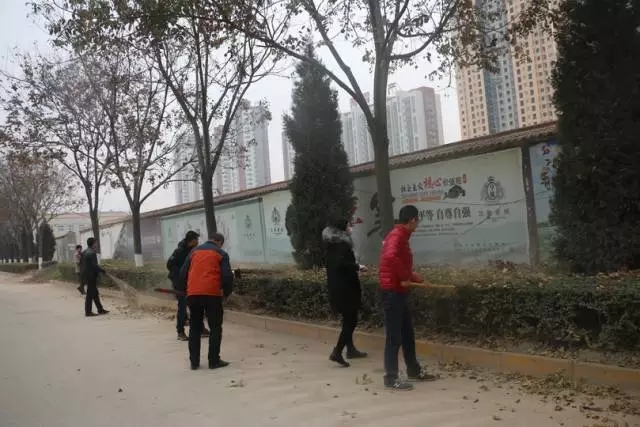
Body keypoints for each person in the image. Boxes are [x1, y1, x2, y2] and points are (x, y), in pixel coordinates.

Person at [379, 205, 436, 390]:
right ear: (412, 220)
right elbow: (390, 257)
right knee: (394, 337)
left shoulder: (401, 236)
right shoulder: (397, 236)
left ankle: (413, 370)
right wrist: (404, 277)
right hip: (392, 293)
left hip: (399, 292)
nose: (417, 223)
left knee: (407, 334)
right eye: (417, 220)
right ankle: (391, 377)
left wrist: (416, 279)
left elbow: (400, 263)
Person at [178, 232, 234, 370]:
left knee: (194, 327)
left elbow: (183, 273)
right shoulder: (221, 253)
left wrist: (184, 291)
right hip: (212, 294)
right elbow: (227, 276)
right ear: (220, 242)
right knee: (215, 327)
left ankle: (194, 362)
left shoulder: (193, 252)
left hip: (193, 294)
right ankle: (213, 361)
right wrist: (226, 293)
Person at [322, 218, 367, 367]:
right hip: (346, 288)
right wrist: (358, 267)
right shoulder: (341, 245)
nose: (350, 227)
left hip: (337, 287)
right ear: (342, 229)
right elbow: (342, 264)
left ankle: (351, 349)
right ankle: (337, 351)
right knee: (351, 321)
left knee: (347, 319)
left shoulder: (331, 244)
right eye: (348, 225)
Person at [167, 231, 209, 341]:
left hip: (191, 282)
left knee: (196, 305)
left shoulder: (193, 250)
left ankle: (200, 329)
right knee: (182, 306)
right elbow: (169, 264)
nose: (198, 242)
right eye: (196, 239)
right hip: (180, 283)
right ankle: (180, 332)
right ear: (192, 240)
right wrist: (180, 277)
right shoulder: (179, 251)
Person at [80, 237, 109, 317]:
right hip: (91, 276)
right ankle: (88, 312)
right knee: (90, 294)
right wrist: (103, 271)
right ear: (93, 244)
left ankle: (100, 309)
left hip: (86, 275)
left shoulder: (85, 252)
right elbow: (94, 266)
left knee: (95, 293)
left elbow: (81, 264)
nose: (97, 244)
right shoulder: (92, 253)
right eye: (96, 243)